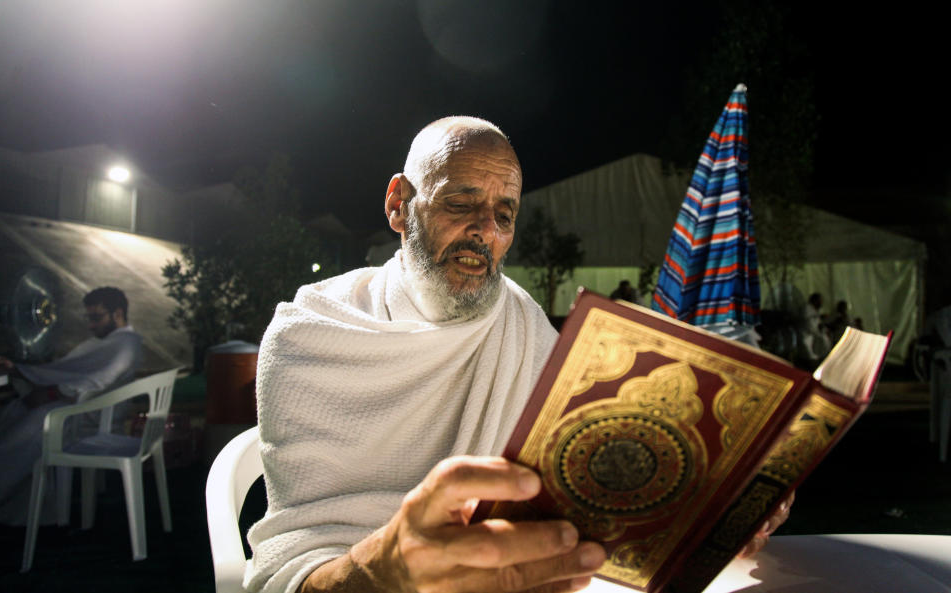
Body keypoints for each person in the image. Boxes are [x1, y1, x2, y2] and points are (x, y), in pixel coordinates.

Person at [246, 117, 789, 593]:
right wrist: (383, 572)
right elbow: (295, 569)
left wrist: (712, 505)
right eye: (460, 203)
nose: (484, 232)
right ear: (398, 204)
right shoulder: (312, 336)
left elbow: (593, 487)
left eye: (504, 215)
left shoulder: (521, 324)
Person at [0, 286, 143, 525]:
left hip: (89, 418)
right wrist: (20, 371)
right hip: (74, 409)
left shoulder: (127, 343)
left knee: (19, 438)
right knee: (12, 417)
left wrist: (49, 391)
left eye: (96, 317)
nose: (91, 325)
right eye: (89, 318)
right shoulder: (104, 342)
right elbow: (68, 369)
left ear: (118, 313)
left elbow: (96, 380)